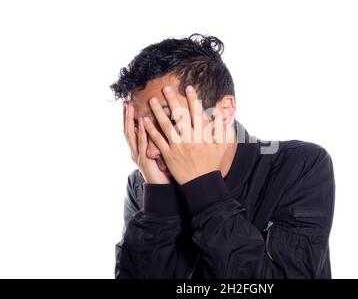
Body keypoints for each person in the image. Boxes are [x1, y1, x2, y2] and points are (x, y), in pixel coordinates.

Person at [110, 34, 335, 278]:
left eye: (170, 122)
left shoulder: (299, 166)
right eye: (141, 130)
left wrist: (203, 187)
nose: (152, 151)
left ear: (223, 113)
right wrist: (159, 204)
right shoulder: (145, 185)